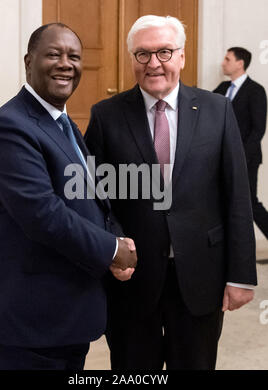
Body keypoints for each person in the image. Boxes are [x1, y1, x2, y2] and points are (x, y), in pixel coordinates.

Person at [85, 15, 257, 370]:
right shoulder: (106, 115)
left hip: (201, 276)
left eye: (164, 52)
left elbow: (237, 195)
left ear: (181, 56)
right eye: (143, 55)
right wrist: (113, 245)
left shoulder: (218, 110)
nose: (154, 64)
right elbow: (93, 196)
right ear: (132, 59)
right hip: (132, 279)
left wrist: (241, 275)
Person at [0, 23, 137, 370]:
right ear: (28, 61)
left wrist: (116, 237)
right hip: (26, 318)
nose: (66, 63)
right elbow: (43, 214)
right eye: (53, 54)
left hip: (66, 313)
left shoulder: (65, 124)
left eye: (74, 57)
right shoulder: (8, 127)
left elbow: (92, 197)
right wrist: (110, 250)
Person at [214, 47, 268, 238]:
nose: (223, 63)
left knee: (249, 203)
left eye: (227, 59)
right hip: (221, 158)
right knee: (222, 201)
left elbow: (258, 130)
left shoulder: (256, 91)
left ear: (240, 63)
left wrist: (240, 157)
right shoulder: (221, 89)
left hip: (246, 159)